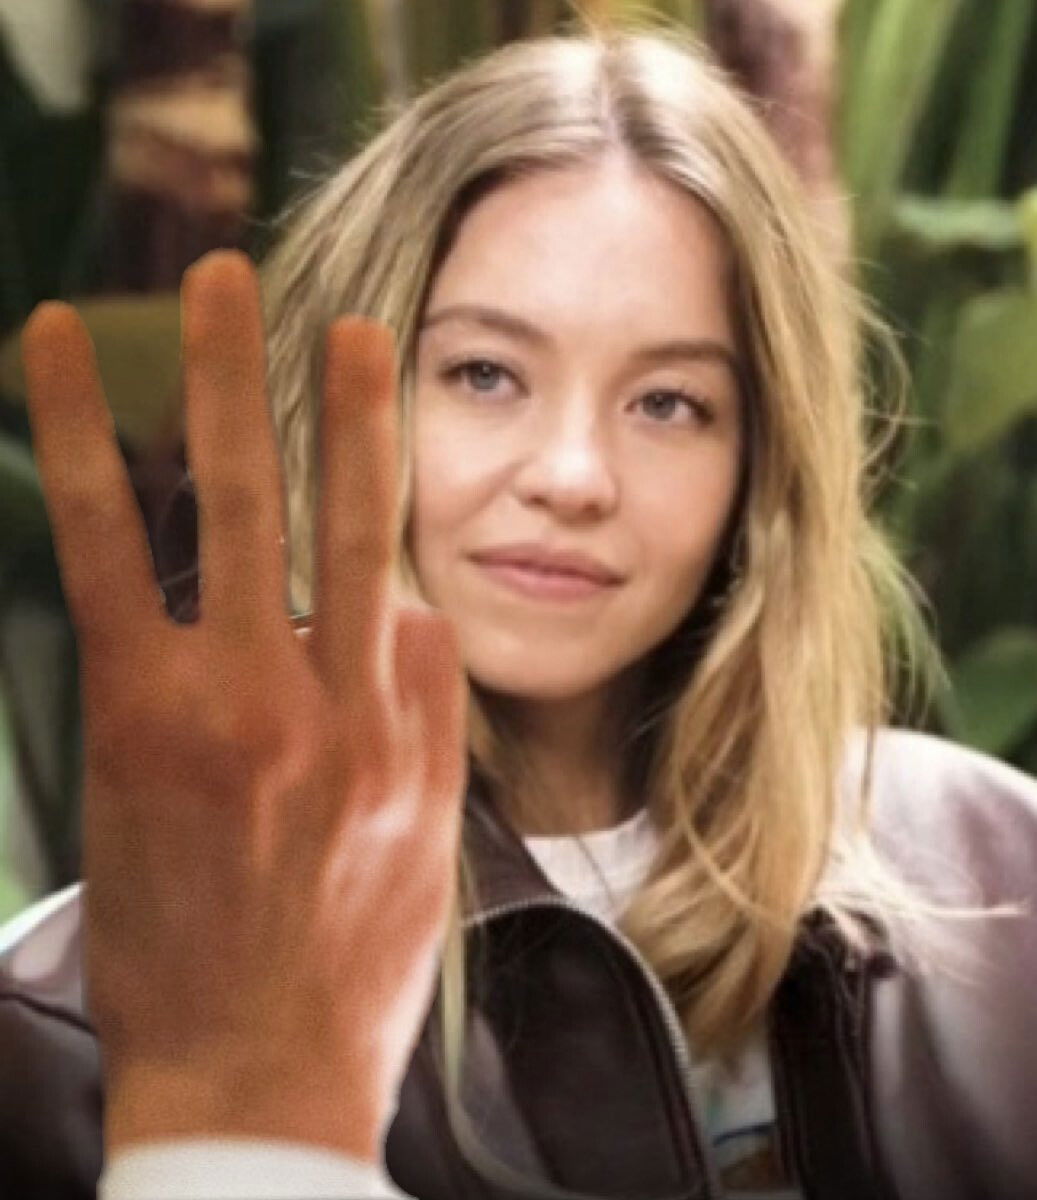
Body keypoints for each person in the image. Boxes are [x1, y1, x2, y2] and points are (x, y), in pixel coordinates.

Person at [2, 19, 1037, 1200]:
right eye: (484, 375)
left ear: (759, 462)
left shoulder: (1000, 876)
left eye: (667, 403)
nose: (572, 475)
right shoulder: (71, 1019)